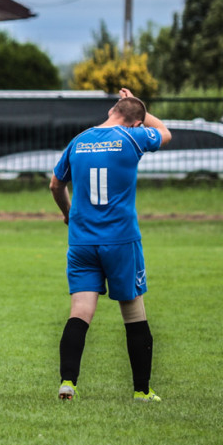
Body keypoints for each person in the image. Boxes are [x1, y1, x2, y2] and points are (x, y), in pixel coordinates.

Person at [50, 88, 171, 402]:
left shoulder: (79, 141)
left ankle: (67, 381)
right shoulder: (133, 138)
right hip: (120, 241)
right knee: (133, 314)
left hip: (82, 242)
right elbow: (164, 133)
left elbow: (55, 184)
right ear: (135, 123)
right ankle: (142, 391)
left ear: (111, 112)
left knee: (79, 312)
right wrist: (142, 111)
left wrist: (68, 214)